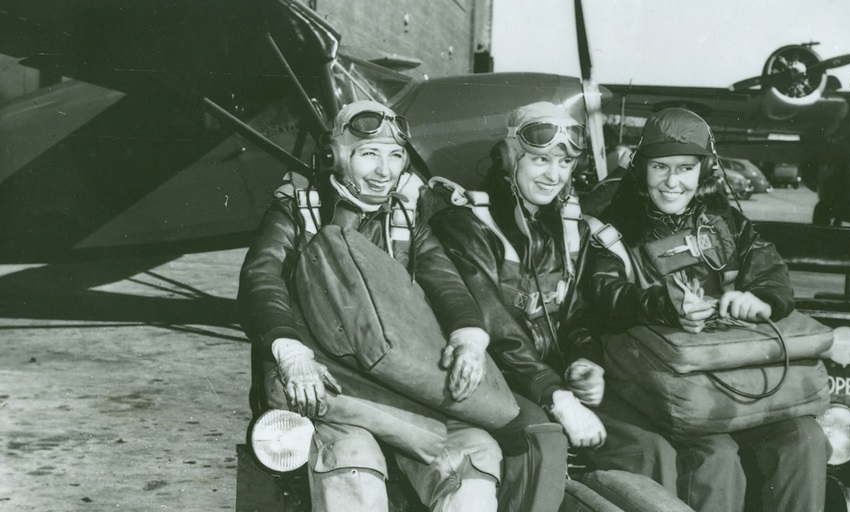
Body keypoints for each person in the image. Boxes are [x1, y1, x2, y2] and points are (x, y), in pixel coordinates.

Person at [238, 100, 502, 512]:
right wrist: (289, 351)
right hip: (326, 385)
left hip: (400, 390)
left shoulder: (405, 219)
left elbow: (445, 280)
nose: (385, 171)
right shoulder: (297, 210)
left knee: (475, 454)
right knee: (353, 458)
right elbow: (261, 278)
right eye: (369, 154)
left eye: (396, 156)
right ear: (335, 157)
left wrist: (469, 337)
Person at [430, 102, 682, 508]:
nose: (554, 174)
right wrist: (557, 398)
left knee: (651, 449)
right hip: (500, 380)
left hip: (554, 381)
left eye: (564, 162)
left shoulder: (567, 230)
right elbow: (495, 324)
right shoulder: (467, 223)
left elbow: (576, 311)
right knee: (543, 445)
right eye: (541, 160)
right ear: (510, 157)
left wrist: (584, 360)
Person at [576, 107, 829, 512]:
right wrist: (667, 305)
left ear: (704, 170)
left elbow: (770, 269)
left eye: (685, 168)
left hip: (733, 381)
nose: (673, 182)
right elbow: (606, 293)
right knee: (715, 455)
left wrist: (761, 298)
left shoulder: (725, 223)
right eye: (660, 167)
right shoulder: (613, 227)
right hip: (660, 385)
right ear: (641, 168)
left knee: (805, 438)